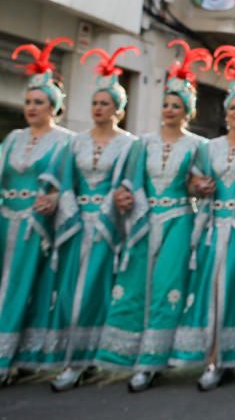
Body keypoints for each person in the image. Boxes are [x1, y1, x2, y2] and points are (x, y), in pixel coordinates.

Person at [95, 40, 213, 392]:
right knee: (132, 285)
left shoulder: (197, 146)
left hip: (179, 220)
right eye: (166, 104)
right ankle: (127, 354)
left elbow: (200, 185)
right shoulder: (141, 144)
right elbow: (130, 181)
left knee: (168, 288)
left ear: (187, 111)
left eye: (177, 105)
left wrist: (199, 187)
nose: (169, 109)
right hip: (144, 223)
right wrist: (124, 196)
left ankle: (152, 361)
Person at [172, 47, 235, 389]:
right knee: (208, 288)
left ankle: (228, 355)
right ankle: (210, 356)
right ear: (225, 112)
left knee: (233, 289)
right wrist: (198, 186)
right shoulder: (208, 147)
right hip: (212, 230)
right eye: (233, 108)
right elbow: (193, 181)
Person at [48, 46, 139, 391]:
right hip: (75, 223)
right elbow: (63, 180)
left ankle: (90, 357)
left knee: (97, 289)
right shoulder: (75, 143)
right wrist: (64, 208)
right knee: (69, 288)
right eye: (95, 103)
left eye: (106, 103)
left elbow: (132, 183)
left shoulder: (130, 145)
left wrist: (122, 200)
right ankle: (66, 356)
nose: (99, 108)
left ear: (119, 109)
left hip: (109, 227)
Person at [0, 39, 74, 381]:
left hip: (36, 227)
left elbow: (70, 185)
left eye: (39, 102)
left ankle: (8, 357)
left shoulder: (65, 141)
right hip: (4, 221)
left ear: (53, 107)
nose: (31, 107)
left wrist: (55, 200)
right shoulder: (13, 138)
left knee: (22, 287)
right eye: (28, 101)